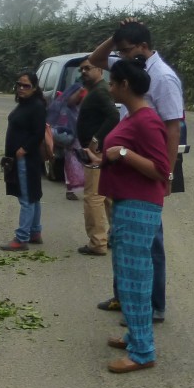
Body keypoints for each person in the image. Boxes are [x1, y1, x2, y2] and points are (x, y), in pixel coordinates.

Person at [90, 19, 185, 322]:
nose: (122, 56)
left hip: (149, 169)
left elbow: (172, 129)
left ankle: (152, 305)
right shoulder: (133, 68)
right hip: (128, 171)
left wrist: (167, 175)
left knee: (149, 243)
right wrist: (116, 35)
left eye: (127, 50)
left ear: (144, 47)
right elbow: (96, 60)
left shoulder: (163, 78)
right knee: (123, 241)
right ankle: (125, 297)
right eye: (120, 50)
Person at [83, 58, 170, 373]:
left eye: (113, 82)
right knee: (128, 274)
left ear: (125, 86)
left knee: (135, 279)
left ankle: (143, 352)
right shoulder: (133, 116)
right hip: (127, 203)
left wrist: (121, 153)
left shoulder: (147, 120)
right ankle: (136, 336)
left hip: (140, 206)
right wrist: (102, 158)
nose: (109, 86)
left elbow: (161, 169)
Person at [75, 58, 120, 256]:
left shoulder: (101, 91)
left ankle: (97, 242)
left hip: (97, 153)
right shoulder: (96, 89)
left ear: (100, 70)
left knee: (93, 197)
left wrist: (95, 140)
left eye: (87, 68)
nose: (83, 71)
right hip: (99, 152)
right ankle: (114, 237)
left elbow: (114, 116)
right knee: (107, 196)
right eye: (81, 69)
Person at [0, 71, 47, 251]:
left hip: (26, 159)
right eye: (19, 84)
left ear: (34, 88)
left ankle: (21, 238)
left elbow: (38, 133)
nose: (21, 88)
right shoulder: (25, 104)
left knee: (26, 198)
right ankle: (35, 231)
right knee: (33, 196)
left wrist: (23, 149)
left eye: (26, 86)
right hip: (22, 158)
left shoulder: (36, 106)